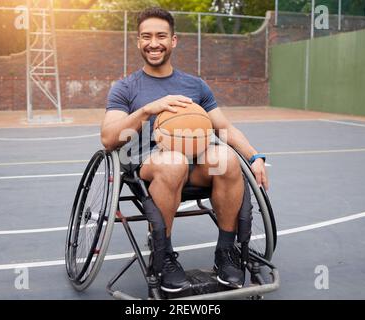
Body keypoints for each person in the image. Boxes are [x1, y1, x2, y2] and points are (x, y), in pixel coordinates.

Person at [101, 7, 268, 293]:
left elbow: (224, 128)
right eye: (147, 37)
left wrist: (254, 156)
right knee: (173, 161)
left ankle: (226, 252)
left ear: (174, 40)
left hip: (198, 162)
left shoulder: (195, 85)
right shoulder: (125, 88)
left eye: (161, 36)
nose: (154, 43)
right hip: (151, 164)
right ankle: (163, 255)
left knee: (227, 159)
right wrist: (147, 109)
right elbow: (108, 138)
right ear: (138, 41)